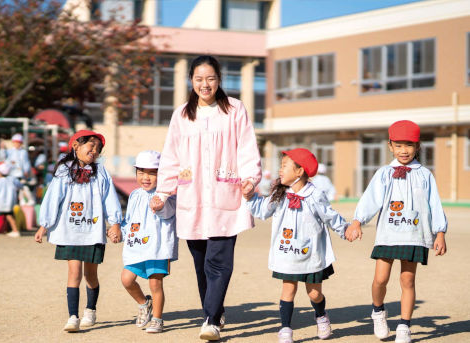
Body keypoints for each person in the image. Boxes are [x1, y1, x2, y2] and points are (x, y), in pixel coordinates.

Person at [152, 55, 262, 341]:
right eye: (199, 79)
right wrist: (163, 191)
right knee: (201, 263)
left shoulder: (235, 109)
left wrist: (250, 178)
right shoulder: (182, 114)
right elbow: (171, 154)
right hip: (192, 196)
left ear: (219, 80)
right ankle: (214, 309)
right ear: (191, 80)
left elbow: (246, 146)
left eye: (210, 78)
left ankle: (211, 319)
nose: (205, 84)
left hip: (227, 195)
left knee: (219, 260)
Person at [345, 120, 447, 343]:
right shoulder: (384, 173)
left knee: (408, 281)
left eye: (409, 145)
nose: (404, 150)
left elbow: (434, 204)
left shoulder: (425, 175)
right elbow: (370, 198)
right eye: (399, 145)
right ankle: (378, 311)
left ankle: (404, 326)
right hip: (388, 234)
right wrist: (357, 221)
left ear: (417, 146)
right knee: (380, 279)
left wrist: (440, 232)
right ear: (390, 146)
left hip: (415, 235)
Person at [243, 148, 349, 343]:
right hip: (288, 254)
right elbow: (262, 211)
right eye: (281, 166)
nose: (280, 170)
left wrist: (346, 229)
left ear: (299, 171)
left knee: (315, 293)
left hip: (312, 254)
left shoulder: (315, 195)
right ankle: (285, 328)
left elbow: (330, 216)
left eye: (285, 166)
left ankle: (321, 315)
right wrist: (250, 197)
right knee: (288, 291)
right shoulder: (279, 193)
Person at [34, 130, 122, 332]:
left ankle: (90, 310)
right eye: (90, 146)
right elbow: (52, 198)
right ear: (76, 146)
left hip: (92, 230)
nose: (94, 151)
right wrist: (44, 225)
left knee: (90, 275)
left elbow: (110, 197)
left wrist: (115, 222)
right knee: (74, 273)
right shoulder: (64, 171)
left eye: (98, 148)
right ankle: (73, 316)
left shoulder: (100, 172)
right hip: (70, 231)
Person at [110, 150, 177, 334]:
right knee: (126, 279)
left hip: (157, 249)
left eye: (151, 173)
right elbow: (130, 220)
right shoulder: (134, 195)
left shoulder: (166, 195)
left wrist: (160, 206)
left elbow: (169, 214)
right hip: (136, 247)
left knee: (155, 284)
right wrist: (120, 232)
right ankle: (144, 303)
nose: (145, 177)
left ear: (161, 174)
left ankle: (157, 319)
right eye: (141, 172)